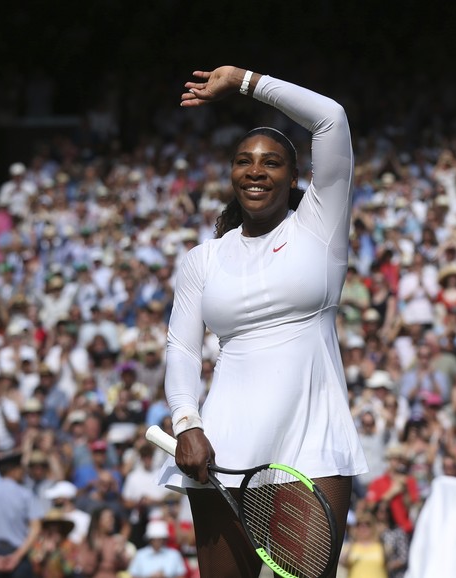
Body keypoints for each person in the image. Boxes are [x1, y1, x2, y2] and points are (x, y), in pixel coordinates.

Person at [160, 65, 366, 578]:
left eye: (272, 162)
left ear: (295, 177)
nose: (256, 171)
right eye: (244, 161)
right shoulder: (202, 259)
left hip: (313, 443)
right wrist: (187, 423)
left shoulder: (320, 227)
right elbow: (182, 350)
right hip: (220, 447)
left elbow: (331, 120)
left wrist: (244, 82)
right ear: (230, 173)